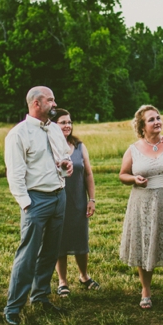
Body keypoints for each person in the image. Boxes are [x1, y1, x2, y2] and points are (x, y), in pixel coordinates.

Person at [3, 86, 74, 325]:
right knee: (28, 254)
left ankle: (40, 296)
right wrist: (26, 204)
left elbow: (63, 156)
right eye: (50, 100)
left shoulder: (54, 129)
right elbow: (14, 173)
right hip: (35, 200)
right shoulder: (18, 134)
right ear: (36, 103)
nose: (55, 104)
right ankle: (13, 307)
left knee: (51, 251)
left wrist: (66, 166)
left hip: (58, 196)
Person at [118, 105, 163, 310]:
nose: (157, 121)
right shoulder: (133, 149)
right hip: (143, 203)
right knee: (145, 244)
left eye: (158, 117)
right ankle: (146, 290)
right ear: (142, 127)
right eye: (151, 119)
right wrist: (134, 178)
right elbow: (123, 174)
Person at [50, 108, 99, 297]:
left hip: (78, 201)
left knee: (81, 240)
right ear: (53, 125)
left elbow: (88, 174)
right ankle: (62, 282)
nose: (67, 125)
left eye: (69, 122)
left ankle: (84, 276)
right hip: (57, 201)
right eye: (63, 122)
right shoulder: (50, 146)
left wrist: (91, 199)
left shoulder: (79, 146)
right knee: (59, 242)